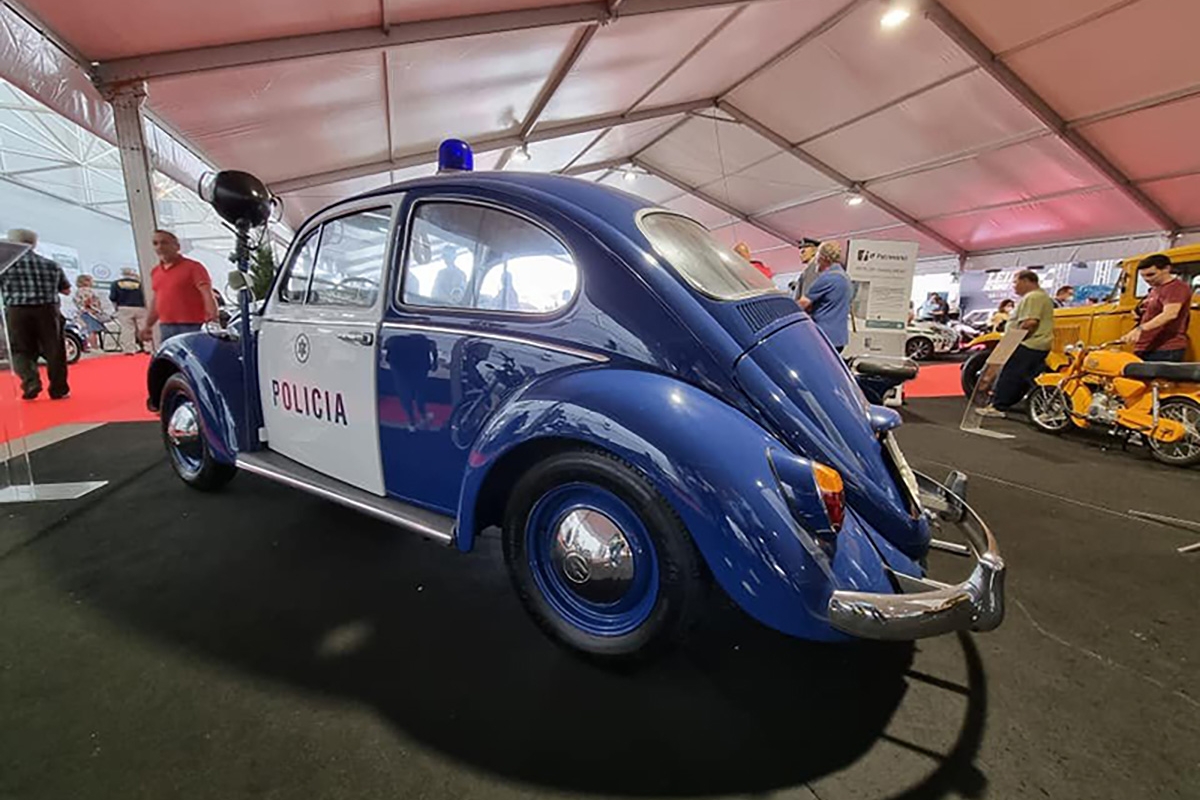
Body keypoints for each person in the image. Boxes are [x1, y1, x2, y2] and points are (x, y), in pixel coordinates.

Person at [0, 228, 71, 399]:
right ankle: (58, 389)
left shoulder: (5, 265)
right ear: (34, 243)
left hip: (17, 310)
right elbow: (66, 290)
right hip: (48, 310)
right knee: (55, 350)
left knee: (20, 349)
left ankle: (31, 382)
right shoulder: (51, 265)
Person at [977, 270, 1054, 417]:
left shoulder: (1033, 297)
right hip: (1038, 344)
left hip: (1028, 343)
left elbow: (1030, 322)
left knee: (1010, 375)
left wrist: (1012, 340)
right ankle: (1040, 406)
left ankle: (998, 407)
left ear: (1026, 281)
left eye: (1015, 282)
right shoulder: (1042, 296)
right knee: (1026, 378)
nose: (1013, 286)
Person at [139, 230, 218, 345]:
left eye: (164, 242)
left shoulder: (194, 267)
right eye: (155, 243)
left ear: (177, 246)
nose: (160, 247)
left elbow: (207, 293)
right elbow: (156, 300)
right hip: (166, 326)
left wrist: (213, 319)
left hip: (193, 325)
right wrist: (148, 325)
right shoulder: (156, 272)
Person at [1120, 254, 1192, 362]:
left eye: (1151, 275)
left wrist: (1141, 329)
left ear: (1167, 269)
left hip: (1165, 349)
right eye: (1143, 276)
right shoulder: (1155, 289)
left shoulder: (1176, 288)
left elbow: (1170, 314)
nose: (1147, 279)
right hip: (1148, 346)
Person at [799, 241, 851, 353]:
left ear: (823, 258)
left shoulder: (827, 278)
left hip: (824, 336)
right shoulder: (845, 277)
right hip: (839, 337)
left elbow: (802, 305)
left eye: (817, 256)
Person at [109, 267, 147, 354]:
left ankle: (129, 349)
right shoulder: (140, 283)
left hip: (124, 307)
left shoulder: (116, 284)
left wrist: (116, 308)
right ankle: (148, 347)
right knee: (143, 328)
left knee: (127, 329)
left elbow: (112, 297)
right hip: (141, 307)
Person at [73, 274, 106, 349]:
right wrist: (94, 308)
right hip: (89, 313)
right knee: (92, 331)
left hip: (83, 313)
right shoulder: (86, 291)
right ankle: (94, 347)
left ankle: (91, 346)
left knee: (88, 331)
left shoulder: (78, 291)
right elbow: (87, 302)